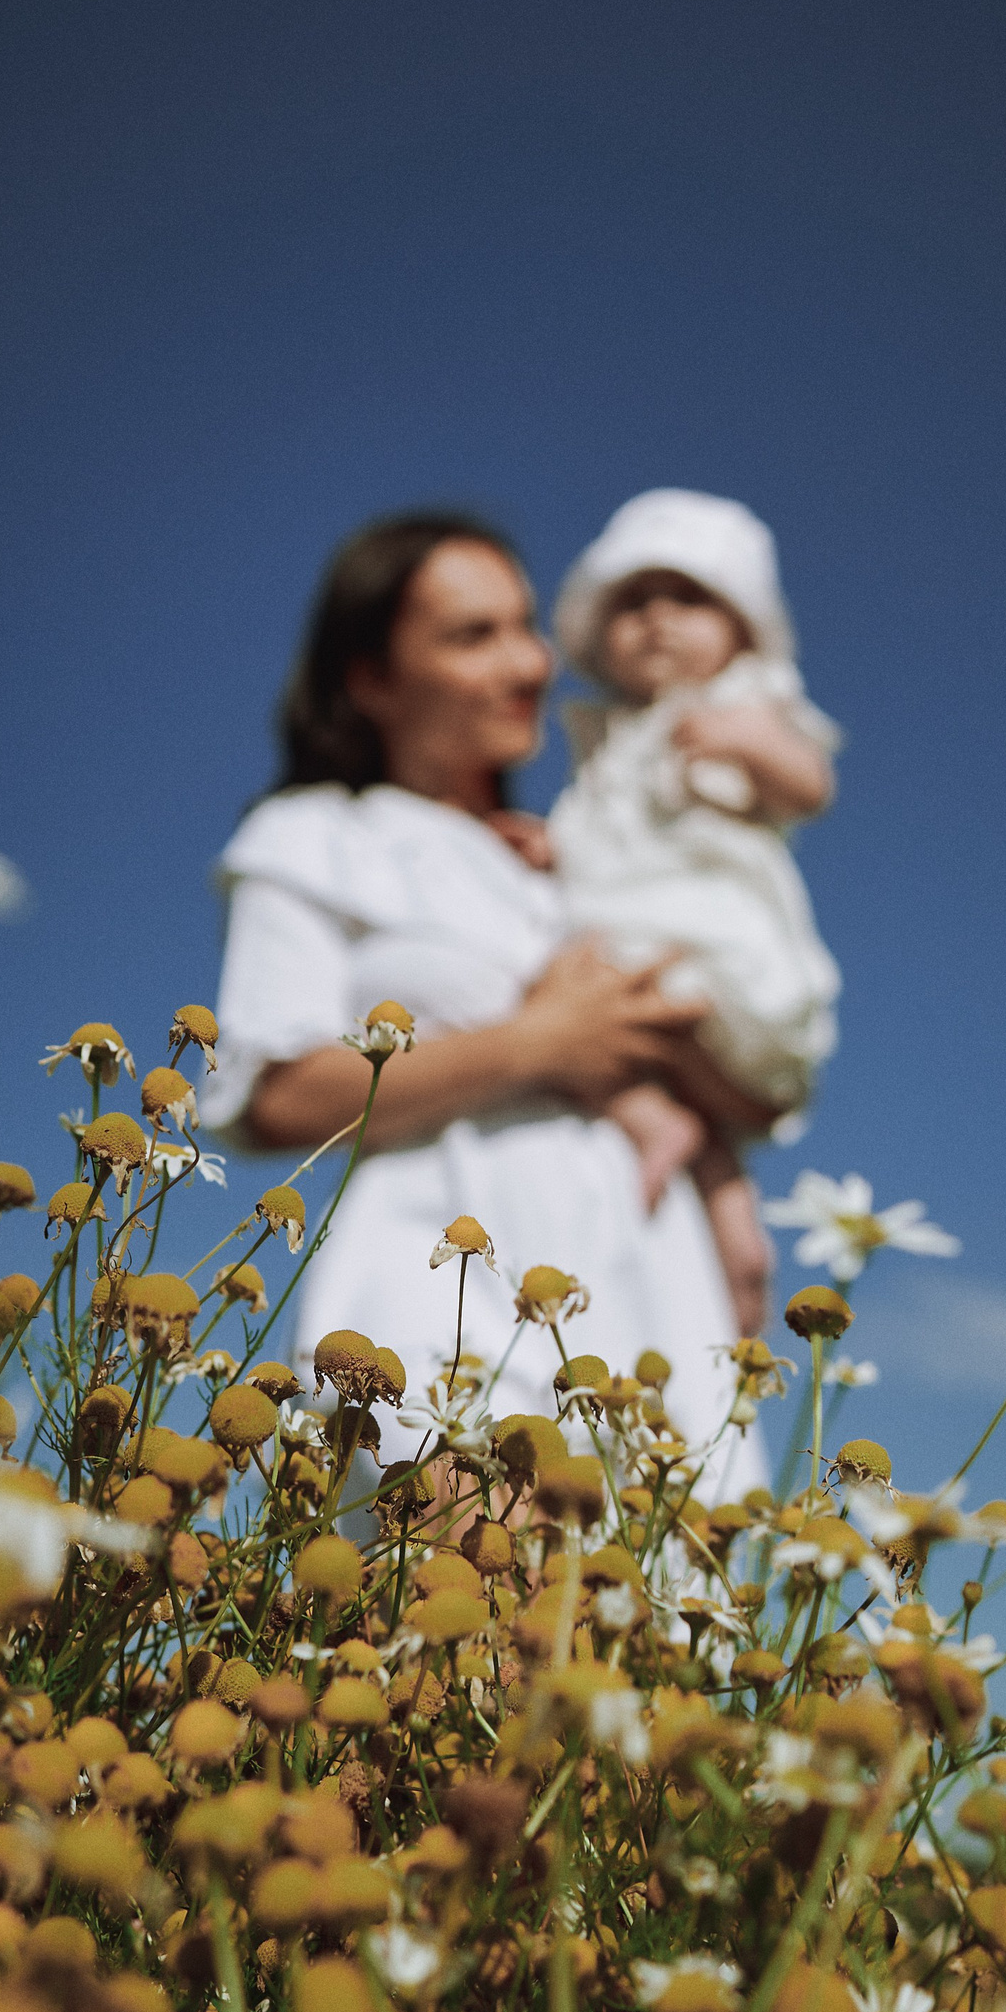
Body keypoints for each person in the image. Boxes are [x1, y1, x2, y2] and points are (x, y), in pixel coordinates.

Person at [198, 510, 771, 1442]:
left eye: (526, 626)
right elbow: (274, 1097)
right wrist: (537, 1044)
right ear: (371, 679)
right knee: (463, 1520)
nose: (531, 663)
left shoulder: (577, 867)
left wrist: (729, 1203)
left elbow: (749, 1087)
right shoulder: (318, 836)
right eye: (474, 636)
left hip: (646, 1292)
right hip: (444, 1275)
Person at [549, 490, 842, 1332]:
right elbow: (591, 839)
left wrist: (753, 743)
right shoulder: (607, 738)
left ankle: (668, 1135)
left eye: (687, 599)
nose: (657, 620)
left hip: (711, 948)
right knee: (615, 1045)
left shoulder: (746, 701)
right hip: (626, 930)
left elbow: (812, 786)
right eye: (633, 603)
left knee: (561, 989)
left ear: (743, 629)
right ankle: (733, 1227)